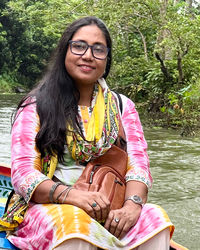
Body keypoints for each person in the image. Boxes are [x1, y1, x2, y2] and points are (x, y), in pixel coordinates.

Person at [0, 16, 174, 249]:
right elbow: (23, 174)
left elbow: (138, 166)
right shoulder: (36, 105)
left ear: (106, 58)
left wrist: (132, 205)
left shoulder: (123, 107)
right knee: (74, 225)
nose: (88, 55)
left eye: (98, 49)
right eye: (79, 46)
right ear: (65, 51)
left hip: (111, 203)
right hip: (49, 205)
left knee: (156, 218)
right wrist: (72, 196)